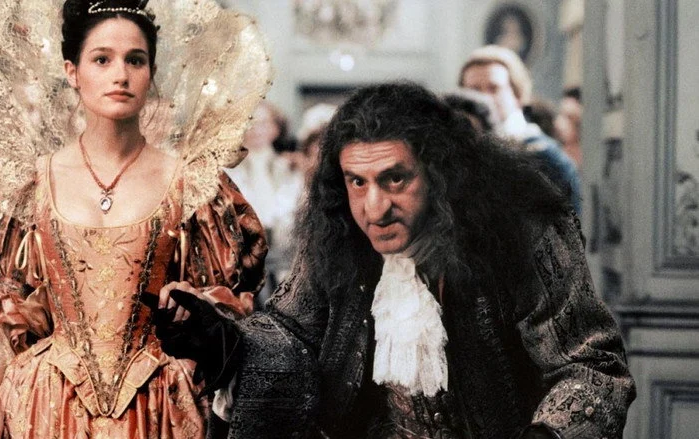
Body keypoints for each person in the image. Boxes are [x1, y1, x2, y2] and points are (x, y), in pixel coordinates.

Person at [0, 0, 272, 437]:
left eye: (136, 60)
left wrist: (195, 304)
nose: (120, 75)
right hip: (48, 402)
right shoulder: (30, 182)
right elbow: (6, 303)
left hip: (156, 404)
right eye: (101, 59)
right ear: (72, 72)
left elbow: (230, 302)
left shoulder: (193, 184)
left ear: (151, 73)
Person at [227, 83, 635, 438]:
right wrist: (225, 343)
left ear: (441, 174)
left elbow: (591, 365)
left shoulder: (523, 234)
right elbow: (291, 332)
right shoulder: (339, 238)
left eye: (395, 178)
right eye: (358, 181)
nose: (375, 208)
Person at [459, 45, 582, 214]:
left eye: (494, 88)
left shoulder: (544, 157)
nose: (484, 98)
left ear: (518, 95)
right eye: (474, 90)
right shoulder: (461, 152)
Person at [226, 101, 304, 306]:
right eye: (250, 122)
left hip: (284, 259)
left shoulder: (290, 167)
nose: (255, 129)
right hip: (243, 262)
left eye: (263, 123)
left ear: (276, 128)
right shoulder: (228, 170)